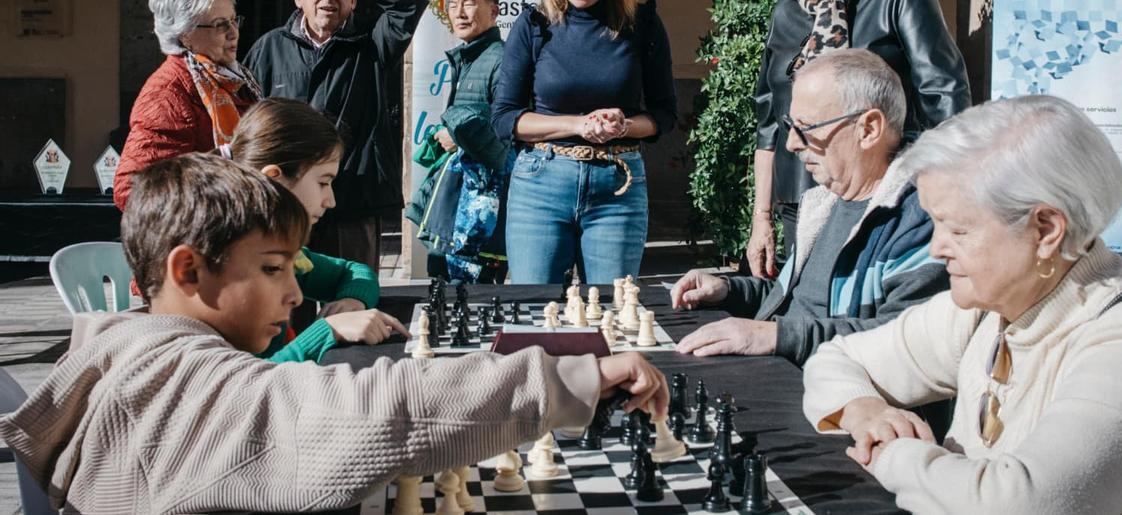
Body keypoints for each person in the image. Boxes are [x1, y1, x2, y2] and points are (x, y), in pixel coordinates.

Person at [0, 153, 668, 513]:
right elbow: (383, 412)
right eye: (271, 268)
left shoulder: (120, 356)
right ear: (189, 269)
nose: (294, 293)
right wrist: (573, 376)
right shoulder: (196, 393)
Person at [802, 95, 1122, 513]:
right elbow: (836, 359)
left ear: (1046, 229)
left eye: (958, 229)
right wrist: (863, 411)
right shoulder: (988, 308)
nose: (936, 248)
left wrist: (891, 453)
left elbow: (1019, 502)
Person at [744, 0, 970, 279]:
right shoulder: (787, 14)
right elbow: (769, 125)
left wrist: (944, 196)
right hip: (801, 201)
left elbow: (944, 96)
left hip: (883, 197)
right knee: (806, 316)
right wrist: (762, 219)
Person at [670, 49, 947, 366]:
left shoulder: (921, 217)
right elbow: (797, 301)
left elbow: (907, 341)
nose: (791, 144)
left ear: (868, 129)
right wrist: (729, 290)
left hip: (846, 404)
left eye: (808, 127)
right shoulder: (827, 201)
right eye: (790, 126)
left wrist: (774, 337)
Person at [491, 0, 677, 284]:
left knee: (611, 316)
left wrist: (623, 125)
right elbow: (505, 118)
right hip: (540, 186)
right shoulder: (534, 24)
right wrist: (578, 124)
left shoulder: (643, 25)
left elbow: (663, 114)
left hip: (618, 186)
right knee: (536, 313)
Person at [245, 0, 426, 271]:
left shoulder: (371, 44)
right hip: (284, 201)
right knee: (285, 307)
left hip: (350, 201)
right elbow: (246, 121)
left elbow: (408, 1)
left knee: (349, 301)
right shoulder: (269, 47)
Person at [229, 97, 406, 363]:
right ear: (274, 179)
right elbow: (245, 383)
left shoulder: (282, 249)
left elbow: (355, 271)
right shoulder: (229, 267)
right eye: (323, 182)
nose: (331, 201)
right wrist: (328, 330)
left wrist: (352, 301)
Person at [113, 0, 261, 210]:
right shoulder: (168, 92)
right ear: (184, 34)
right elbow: (134, 191)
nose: (233, 33)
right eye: (219, 24)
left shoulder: (231, 78)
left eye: (234, 20)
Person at [406, 0, 512, 283]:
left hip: (479, 206)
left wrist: (458, 131)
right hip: (458, 196)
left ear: (494, 12)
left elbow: (506, 122)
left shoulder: (500, 58)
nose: (459, 13)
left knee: (469, 294)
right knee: (444, 284)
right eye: (453, 5)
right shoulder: (468, 57)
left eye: (469, 3)